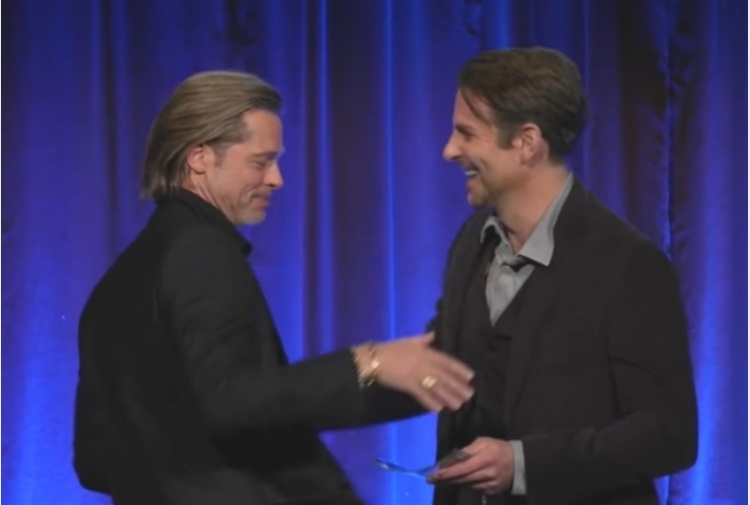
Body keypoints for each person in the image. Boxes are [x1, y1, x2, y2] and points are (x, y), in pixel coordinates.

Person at [73, 71, 475, 505]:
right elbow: (232, 403)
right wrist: (369, 362)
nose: (276, 178)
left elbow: (94, 459)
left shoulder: (116, 283)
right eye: (261, 161)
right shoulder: (202, 252)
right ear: (199, 157)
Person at [425, 47, 698, 505]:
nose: (450, 150)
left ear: (527, 143)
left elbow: (668, 435)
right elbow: (441, 367)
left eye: (466, 133)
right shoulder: (472, 242)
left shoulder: (627, 265)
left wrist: (522, 465)